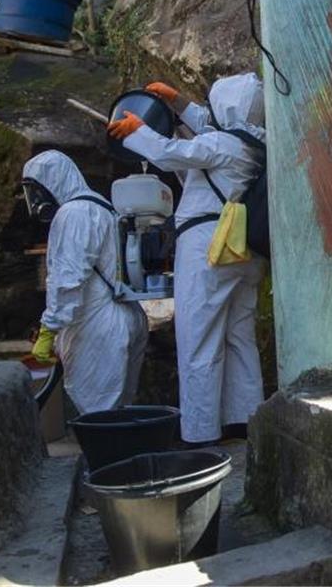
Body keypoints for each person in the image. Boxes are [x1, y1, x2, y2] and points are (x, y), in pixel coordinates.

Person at [107, 72, 267, 446]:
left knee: (198, 336)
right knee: (238, 336)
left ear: (226, 107)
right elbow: (214, 127)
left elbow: (170, 153)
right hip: (244, 250)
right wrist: (178, 102)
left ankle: (199, 432)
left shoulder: (221, 145)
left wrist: (137, 131)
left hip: (208, 246)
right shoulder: (256, 143)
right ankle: (244, 420)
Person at [22, 150, 148, 414]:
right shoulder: (102, 205)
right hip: (126, 316)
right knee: (119, 410)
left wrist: (49, 329)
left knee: (99, 414)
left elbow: (68, 279)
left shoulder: (73, 213)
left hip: (97, 326)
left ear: (53, 182)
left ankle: (106, 456)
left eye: (36, 191)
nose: (35, 201)